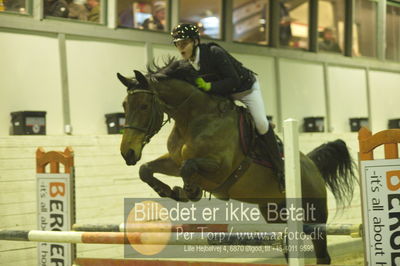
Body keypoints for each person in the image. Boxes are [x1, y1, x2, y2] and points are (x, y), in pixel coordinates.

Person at [170, 23, 285, 188]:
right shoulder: (187, 63)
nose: (181, 48)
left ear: (195, 42)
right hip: (224, 94)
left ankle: (280, 169)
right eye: (178, 44)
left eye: (184, 43)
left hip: (246, 89)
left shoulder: (214, 53)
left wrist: (210, 87)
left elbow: (233, 81)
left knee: (260, 124)